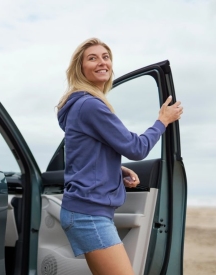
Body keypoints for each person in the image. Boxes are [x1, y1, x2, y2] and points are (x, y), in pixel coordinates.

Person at [56, 38, 183, 275]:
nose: (102, 62)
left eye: (106, 57)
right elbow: (136, 148)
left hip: (85, 211)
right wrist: (162, 121)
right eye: (92, 58)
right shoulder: (90, 105)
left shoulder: (79, 106)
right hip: (89, 214)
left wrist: (116, 169)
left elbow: (84, 154)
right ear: (80, 68)